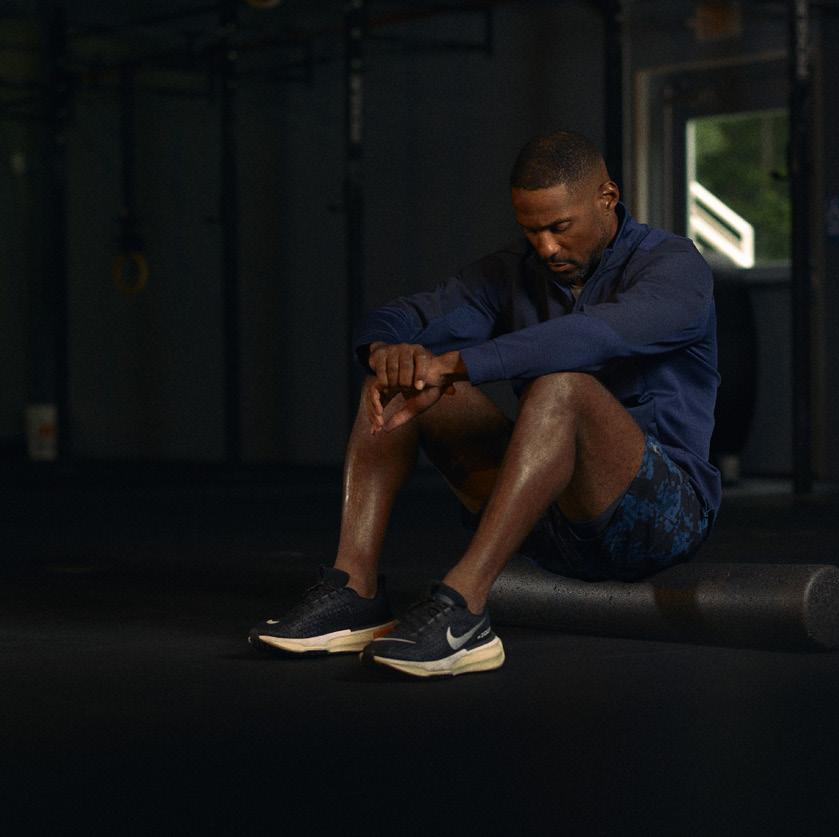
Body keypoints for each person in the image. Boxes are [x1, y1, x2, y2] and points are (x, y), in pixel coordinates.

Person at [249, 130, 721, 677]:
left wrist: (455, 364)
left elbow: (592, 337)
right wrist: (388, 353)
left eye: (559, 228)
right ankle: (355, 592)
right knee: (398, 381)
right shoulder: (512, 272)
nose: (545, 248)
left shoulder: (674, 266)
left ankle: (464, 610)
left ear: (606, 197)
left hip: (657, 521)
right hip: (548, 523)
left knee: (562, 386)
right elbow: (404, 317)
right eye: (530, 230)